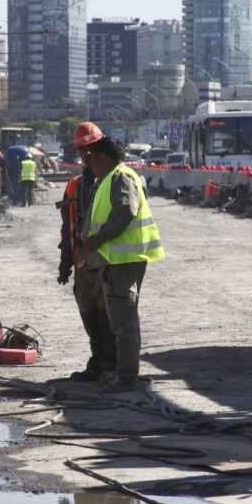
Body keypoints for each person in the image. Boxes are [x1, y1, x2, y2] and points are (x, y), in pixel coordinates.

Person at [82, 130, 164, 391]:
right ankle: (122, 372)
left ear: (105, 158)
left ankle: (127, 376)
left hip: (123, 259)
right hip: (116, 259)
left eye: (93, 158)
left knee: (123, 320)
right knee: (121, 319)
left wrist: (99, 238)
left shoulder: (120, 177)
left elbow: (124, 212)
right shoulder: (110, 178)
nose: (89, 163)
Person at [56, 122, 116, 381]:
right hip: (83, 261)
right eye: (81, 151)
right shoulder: (74, 185)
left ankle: (111, 363)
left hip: (107, 259)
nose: (85, 156)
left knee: (108, 314)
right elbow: (68, 225)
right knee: (88, 310)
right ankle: (98, 361)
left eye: (89, 150)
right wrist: (66, 261)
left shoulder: (115, 181)